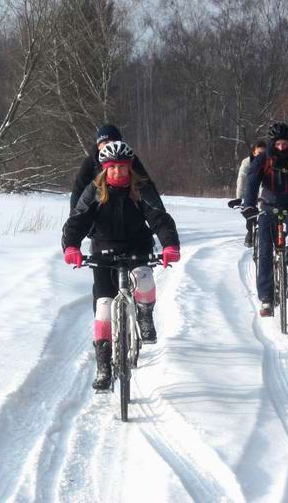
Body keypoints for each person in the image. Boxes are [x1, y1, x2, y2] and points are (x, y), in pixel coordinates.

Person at [62, 141, 180, 391]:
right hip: (103, 250)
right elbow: (77, 221)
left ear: (130, 167)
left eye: (122, 167)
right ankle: (104, 366)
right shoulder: (95, 190)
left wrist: (170, 245)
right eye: (112, 167)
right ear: (105, 169)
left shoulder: (141, 188)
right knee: (104, 307)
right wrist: (71, 246)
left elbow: (159, 218)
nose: (118, 172)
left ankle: (145, 316)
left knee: (144, 276)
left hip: (137, 245)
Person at [241, 122, 288, 317]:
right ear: (272, 143)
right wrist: (248, 204)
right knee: (265, 249)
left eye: (285, 143)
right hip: (268, 204)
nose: (282, 147)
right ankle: (266, 298)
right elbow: (251, 182)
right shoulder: (263, 160)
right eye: (278, 144)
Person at [69, 125, 159, 213]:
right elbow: (78, 189)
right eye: (105, 142)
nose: (110, 145)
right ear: (98, 145)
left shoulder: (129, 159)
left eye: (113, 141)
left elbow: (147, 185)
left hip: (127, 209)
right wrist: (73, 216)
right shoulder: (90, 161)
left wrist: (159, 212)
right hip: (99, 209)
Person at [228, 140, 267, 247]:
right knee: (250, 212)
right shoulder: (247, 162)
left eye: (264, 153)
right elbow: (242, 179)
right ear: (254, 153)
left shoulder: (269, 161)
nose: (261, 156)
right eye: (259, 153)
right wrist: (239, 197)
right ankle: (250, 232)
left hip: (264, 191)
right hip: (250, 191)